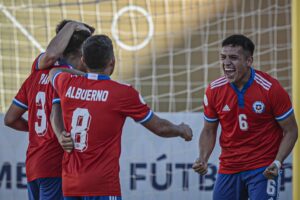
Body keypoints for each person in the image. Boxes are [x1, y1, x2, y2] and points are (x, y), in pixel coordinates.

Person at [48, 34, 193, 199]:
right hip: (103, 185)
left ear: (83, 61)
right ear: (112, 62)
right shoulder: (123, 93)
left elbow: (54, 71)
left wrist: (85, 78)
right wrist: (181, 129)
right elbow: (160, 128)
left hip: (71, 184)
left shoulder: (66, 83)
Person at [192, 34, 298, 200]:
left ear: (249, 61)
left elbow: (291, 130)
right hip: (229, 167)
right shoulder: (214, 90)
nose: (226, 63)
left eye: (233, 58)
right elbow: (208, 130)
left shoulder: (271, 89)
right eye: (223, 57)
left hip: (263, 168)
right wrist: (203, 158)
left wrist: (277, 162)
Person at [4, 19, 94, 200]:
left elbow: (10, 119)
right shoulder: (70, 80)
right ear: (82, 52)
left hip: (34, 165)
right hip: (56, 165)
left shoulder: (36, 73)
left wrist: (40, 131)